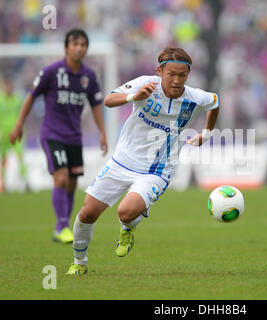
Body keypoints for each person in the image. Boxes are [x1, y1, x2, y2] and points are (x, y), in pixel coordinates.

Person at [65, 46, 220, 275]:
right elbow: (108, 100)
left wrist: (206, 134)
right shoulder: (145, 84)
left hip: (157, 169)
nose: (177, 80)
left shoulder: (195, 97)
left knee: (125, 212)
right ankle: (79, 263)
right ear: (159, 71)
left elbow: (215, 102)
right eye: (171, 74)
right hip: (122, 161)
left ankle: (127, 228)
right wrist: (133, 97)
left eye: (182, 75)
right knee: (87, 213)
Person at [9, 29, 108, 244]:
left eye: (83, 45)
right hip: (52, 134)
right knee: (61, 178)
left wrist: (102, 133)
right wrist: (19, 125)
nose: (80, 48)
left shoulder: (89, 76)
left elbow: (96, 105)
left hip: (74, 137)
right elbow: (30, 97)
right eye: (76, 44)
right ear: (66, 47)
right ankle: (63, 225)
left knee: (72, 183)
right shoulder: (51, 72)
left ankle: (60, 226)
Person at [0, 78, 28, 192]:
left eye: (10, 86)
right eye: (7, 86)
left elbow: (23, 114)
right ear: (4, 86)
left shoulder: (17, 99)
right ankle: (4, 184)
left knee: (20, 155)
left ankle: (25, 182)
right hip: (3, 134)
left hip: (16, 132)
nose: (9, 88)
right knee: (3, 159)